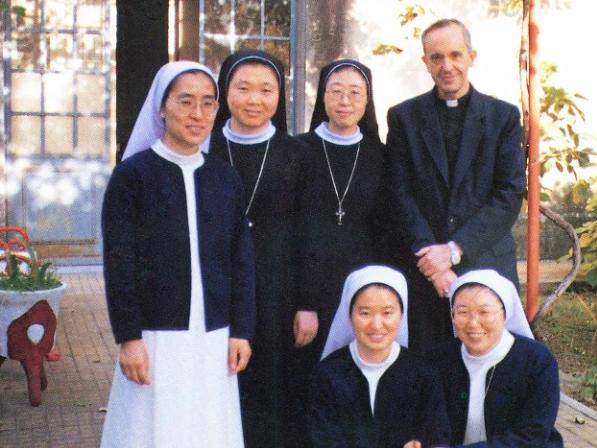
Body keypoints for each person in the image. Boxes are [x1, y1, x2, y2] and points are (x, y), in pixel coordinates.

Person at [100, 60, 255, 447]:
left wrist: (242, 331)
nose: (197, 114)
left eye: (208, 103)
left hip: (215, 336)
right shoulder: (132, 177)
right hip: (156, 336)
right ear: (162, 107)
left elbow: (241, 259)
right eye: (185, 101)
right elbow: (119, 264)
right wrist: (129, 338)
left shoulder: (224, 177)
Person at [385, 18, 527, 350]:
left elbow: (509, 194)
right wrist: (434, 265)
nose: (447, 66)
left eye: (455, 55)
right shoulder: (404, 117)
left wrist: (453, 250)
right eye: (436, 58)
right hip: (425, 270)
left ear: (471, 57)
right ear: (425, 63)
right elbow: (399, 193)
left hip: (485, 261)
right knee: (429, 368)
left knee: (489, 369)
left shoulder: (503, 117)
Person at [208, 49, 307, 448]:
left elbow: (306, 234)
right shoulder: (204, 148)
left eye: (267, 90)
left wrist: (307, 302)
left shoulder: (297, 153)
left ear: (279, 97)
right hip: (216, 283)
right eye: (243, 88)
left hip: (278, 287)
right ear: (224, 91)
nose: (254, 99)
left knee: (270, 388)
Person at [290, 59, 387, 445]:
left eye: (355, 92)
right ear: (322, 97)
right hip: (309, 293)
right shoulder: (297, 150)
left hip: (362, 292)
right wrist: (303, 300)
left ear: (367, 101)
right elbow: (289, 233)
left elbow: (386, 232)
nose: (344, 100)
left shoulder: (381, 156)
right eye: (335, 91)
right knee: (306, 384)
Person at [308, 265, 451, 448]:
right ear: (349, 314)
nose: (376, 325)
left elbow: (438, 438)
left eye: (387, 313)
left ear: (401, 314)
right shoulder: (327, 374)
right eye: (365, 313)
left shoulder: (423, 373)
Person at [426, 269, 563, 447]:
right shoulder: (436, 359)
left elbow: (531, 436)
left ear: (505, 314)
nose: (473, 323)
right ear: (452, 315)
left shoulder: (537, 361)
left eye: (484, 312)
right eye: (463, 312)